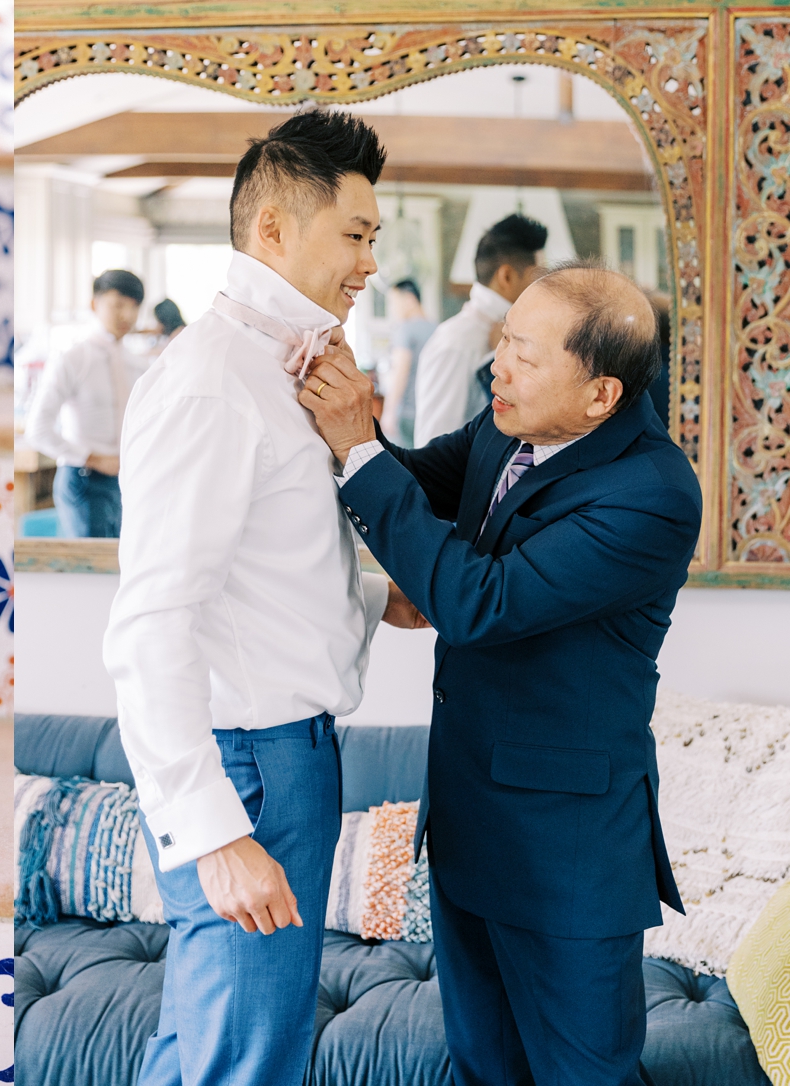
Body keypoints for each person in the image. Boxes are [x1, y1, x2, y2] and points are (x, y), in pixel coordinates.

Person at [298, 261, 701, 1086]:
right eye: (501, 343)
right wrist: (338, 421)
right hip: (469, 825)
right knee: (483, 1069)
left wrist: (360, 446)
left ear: (601, 395)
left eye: (523, 354)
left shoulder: (652, 493)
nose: (497, 369)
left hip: (569, 856)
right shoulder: (507, 424)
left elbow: (478, 602)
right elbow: (404, 479)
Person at [103, 109, 428, 1086]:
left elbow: (261, 567)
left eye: (377, 238)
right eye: (357, 234)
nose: (371, 261)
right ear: (275, 230)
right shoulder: (211, 382)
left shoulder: (285, 366)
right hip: (248, 768)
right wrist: (215, 834)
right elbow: (152, 623)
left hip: (291, 757)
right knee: (235, 1064)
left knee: (243, 1049)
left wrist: (374, 602)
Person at [25, 269, 148, 537]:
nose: (126, 315)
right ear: (95, 304)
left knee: (122, 571)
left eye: (134, 306)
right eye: (117, 305)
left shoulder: (138, 364)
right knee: (90, 572)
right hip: (83, 479)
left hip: (128, 480)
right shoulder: (72, 358)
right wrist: (93, 458)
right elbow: (37, 430)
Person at [414, 213, 548, 447]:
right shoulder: (457, 341)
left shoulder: (525, 333)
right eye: (536, 277)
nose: (541, 288)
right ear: (506, 276)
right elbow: (433, 445)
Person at [383, 277, 436, 445]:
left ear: (410, 299)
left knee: (401, 466)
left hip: (406, 413)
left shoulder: (405, 329)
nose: (392, 309)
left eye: (394, 302)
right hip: (429, 411)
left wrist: (388, 412)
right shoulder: (438, 329)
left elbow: (400, 372)